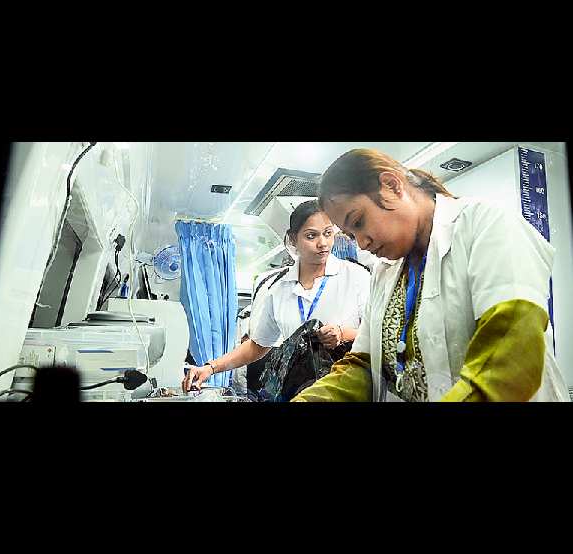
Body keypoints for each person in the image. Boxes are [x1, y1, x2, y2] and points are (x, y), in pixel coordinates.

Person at [293, 148, 568, 402]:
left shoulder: (486, 226)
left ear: (391, 185)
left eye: (359, 222)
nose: (361, 243)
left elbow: (510, 359)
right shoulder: (385, 272)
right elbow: (363, 364)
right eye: (351, 235)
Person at [182, 200, 372, 396]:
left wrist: (342, 334)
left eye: (328, 233)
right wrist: (210, 368)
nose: (322, 243)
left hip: (346, 389)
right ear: (293, 239)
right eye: (311, 236)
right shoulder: (277, 288)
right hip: (298, 391)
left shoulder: (356, 276)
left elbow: (377, 335)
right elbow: (258, 345)